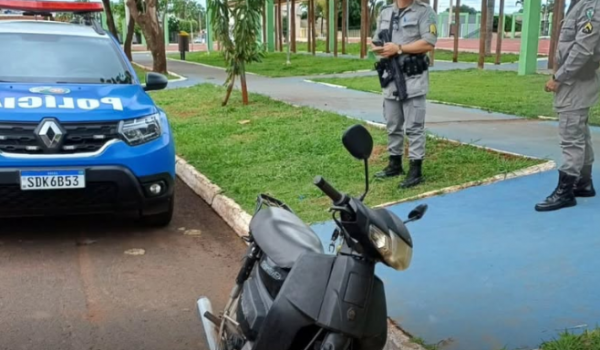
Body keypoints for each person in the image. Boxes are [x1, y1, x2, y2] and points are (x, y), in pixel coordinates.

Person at [535, 0, 600, 212]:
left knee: (570, 134)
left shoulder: (593, 6)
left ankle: (566, 192)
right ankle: (583, 183)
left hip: (576, 79)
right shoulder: (580, 3)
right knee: (579, 131)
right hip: (576, 78)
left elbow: (583, 48)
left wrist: (559, 77)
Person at [371, 0, 438, 189]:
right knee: (392, 124)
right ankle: (395, 164)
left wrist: (399, 48)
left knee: (414, 126)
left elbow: (429, 43)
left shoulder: (425, 12)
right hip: (391, 76)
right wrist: (379, 49)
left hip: (413, 77)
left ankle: (415, 170)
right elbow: (376, 41)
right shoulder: (385, 12)